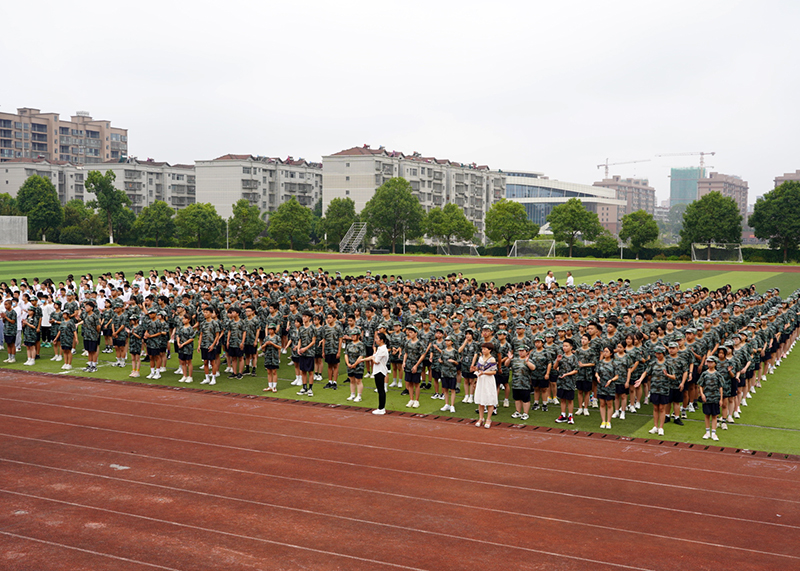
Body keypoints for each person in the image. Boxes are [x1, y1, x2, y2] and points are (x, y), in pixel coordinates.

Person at [358, 331, 390, 415]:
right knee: (380, 389)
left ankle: (381, 408)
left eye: (377, 338)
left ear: (382, 340)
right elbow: (373, 357)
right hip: (377, 371)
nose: (375, 340)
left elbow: (375, 361)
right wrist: (363, 359)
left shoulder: (383, 349)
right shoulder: (380, 348)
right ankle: (381, 408)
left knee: (381, 390)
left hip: (380, 371)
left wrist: (372, 358)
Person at [697, 356, 723, 441]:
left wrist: (721, 399)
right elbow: (700, 385)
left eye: (711, 362)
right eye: (708, 362)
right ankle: (707, 432)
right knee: (707, 415)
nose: (709, 364)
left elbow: (720, 387)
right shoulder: (704, 374)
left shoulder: (718, 374)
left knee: (715, 416)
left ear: (715, 363)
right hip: (707, 398)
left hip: (715, 397)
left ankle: (714, 433)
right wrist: (702, 394)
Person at [473, 342, 498, 427]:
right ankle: (481, 418)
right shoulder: (480, 358)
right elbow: (478, 368)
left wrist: (484, 373)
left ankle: (488, 419)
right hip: (481, 380)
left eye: (485, 349)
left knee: (489, 399)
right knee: (481, 400)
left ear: (489, 350)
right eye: (482, 349)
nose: (483, 350)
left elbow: (494, 371)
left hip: (488, 380)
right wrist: (476, 371)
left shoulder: (492, 359)